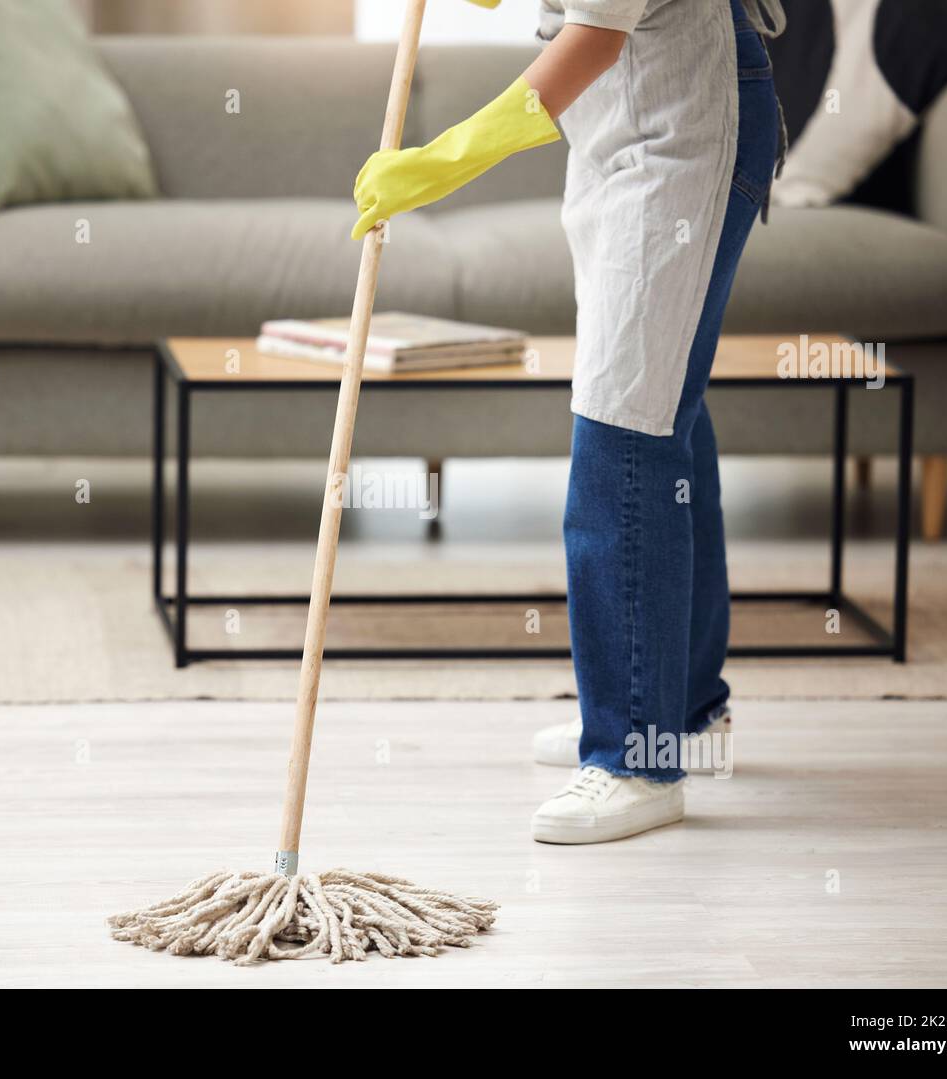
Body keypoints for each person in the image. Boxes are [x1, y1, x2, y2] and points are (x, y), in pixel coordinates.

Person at [353, 0, 785, 843]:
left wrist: (444, 158)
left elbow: (593, 35)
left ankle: (634, 755)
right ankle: (680, 715)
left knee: (624, 424)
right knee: (665, 413)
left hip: (682, 132)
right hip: (644, 121)